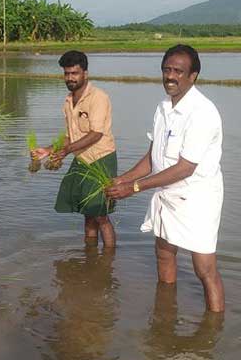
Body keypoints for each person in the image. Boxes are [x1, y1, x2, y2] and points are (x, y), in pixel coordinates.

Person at [106, 44, 225, 312]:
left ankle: (214, 331)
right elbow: (153, 156)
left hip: (197, 198)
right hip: (166, 194)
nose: (170, 76)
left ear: (193, 76)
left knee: (204, 269)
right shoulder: (163, 108)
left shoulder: (202, 112)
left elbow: (185, 168)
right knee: (163, 253)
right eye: (166, 70)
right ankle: (164, 315)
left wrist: (134, 188)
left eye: (178, 72)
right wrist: (123, 179)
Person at [33, 50, 118, 248]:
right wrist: (48, 150)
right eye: (67, 73)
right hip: (81, 159)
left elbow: (96, 134)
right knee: (87, 213)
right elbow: (69, 136)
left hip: (101, 159)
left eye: (75, 73)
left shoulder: (98, 97)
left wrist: (67, 150)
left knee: (100, 215)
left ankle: (108, 262)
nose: (70, 78)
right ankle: (90, 259)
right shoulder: (68, 101)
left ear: (85, 74)